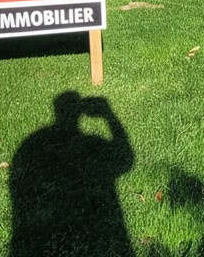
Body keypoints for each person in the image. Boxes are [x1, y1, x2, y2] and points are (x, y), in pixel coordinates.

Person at [9, 92, 134, 256]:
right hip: (91, 226)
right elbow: (125, 160)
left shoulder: (33, 143)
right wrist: (108, 115)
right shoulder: (92, 143)